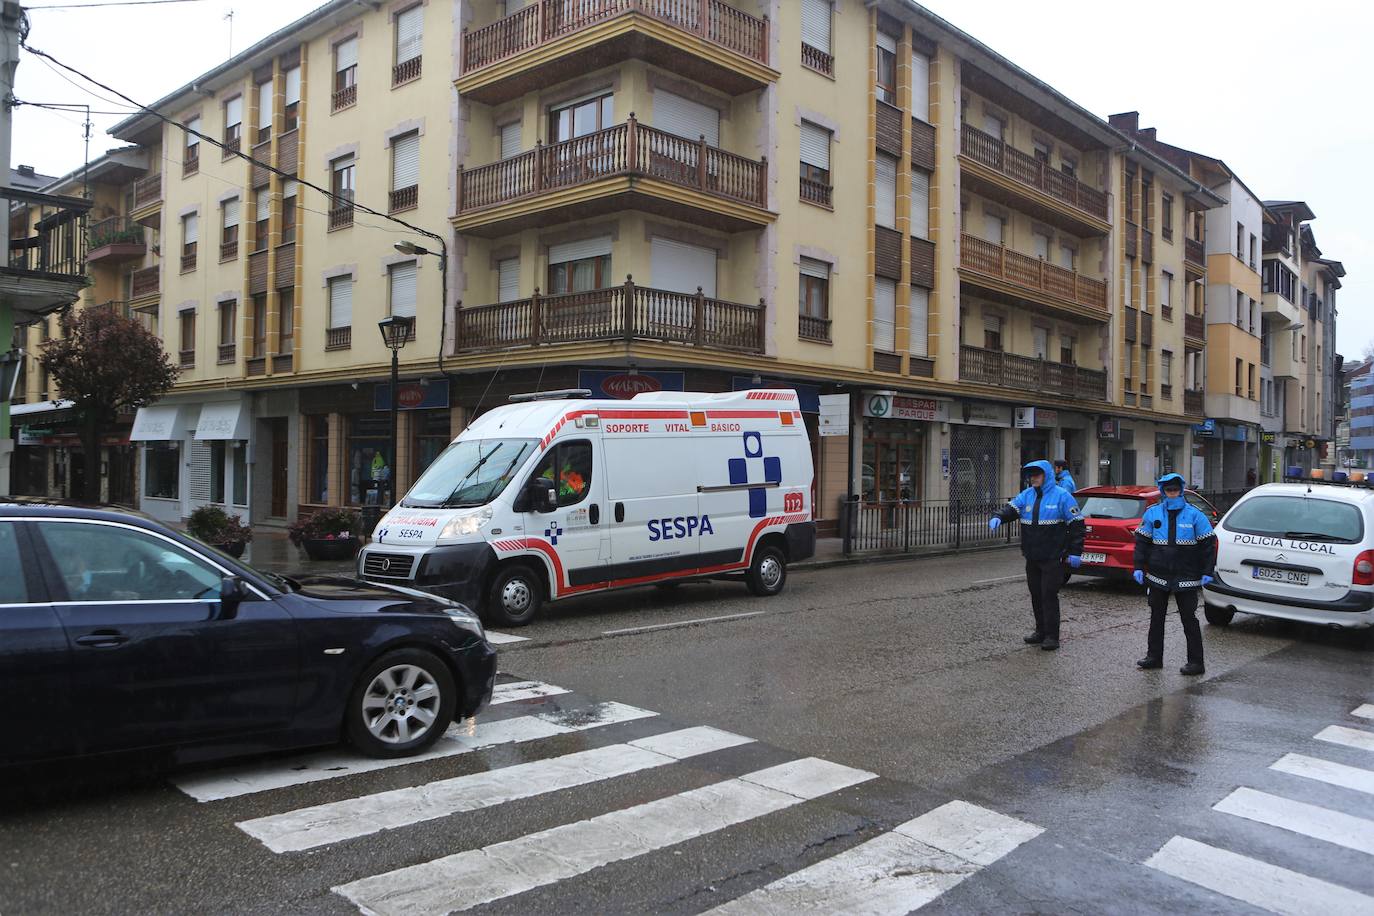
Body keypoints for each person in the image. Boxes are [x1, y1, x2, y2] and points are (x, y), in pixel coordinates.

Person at [989, 459, 1084, 651]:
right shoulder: (1027, 495)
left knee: (1049, 595)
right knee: (1036, 595)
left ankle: (1052, 636)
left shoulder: (1062, 496)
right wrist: (999, 516)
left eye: (1037, 475)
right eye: (1031, 475)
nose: (1033, 478)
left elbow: (1077, 526)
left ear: (1046, 475)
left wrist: (1075, 552)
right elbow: (1012, 508)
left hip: (1052, 557)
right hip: (1032, 556)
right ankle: (1040, 631)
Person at [1132, 473, 1215, 675]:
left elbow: (1208, 545)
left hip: (1187, 577)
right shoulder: (1152, 514)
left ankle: (1196, 663)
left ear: (1181, 490)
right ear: (1163, 491)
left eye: (1175, 490)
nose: (1172, 494)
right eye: (1168, 490)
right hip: (1158, 575)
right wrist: (1138, 567)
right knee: (1156, 618)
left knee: (1189, 619)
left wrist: (1207, 571)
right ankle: (1154, 657)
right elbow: (1141, 543)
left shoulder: (1195, 515)